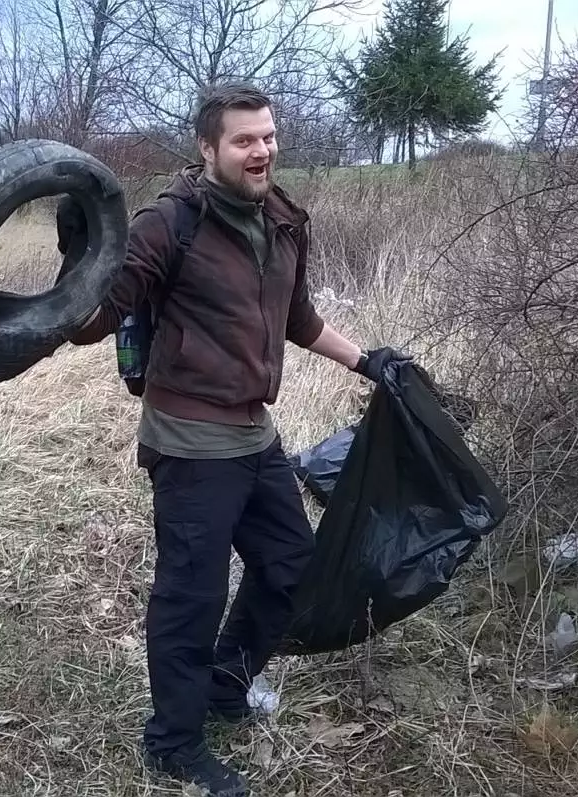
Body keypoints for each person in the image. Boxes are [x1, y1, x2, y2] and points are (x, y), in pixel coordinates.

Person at [67, 82, 410, 797]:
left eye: (268, 136)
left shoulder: (283, 219)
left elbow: (299, 317)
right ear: (208, 148)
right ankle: (172, 741)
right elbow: (95, 318)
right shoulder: (170, 224)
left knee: (291, 568)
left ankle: (225, 687)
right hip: (189, 440)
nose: (262, 151)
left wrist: (368, 360)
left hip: (253, 431)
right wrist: (80, 262)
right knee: (189, 597)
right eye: (244, 140)